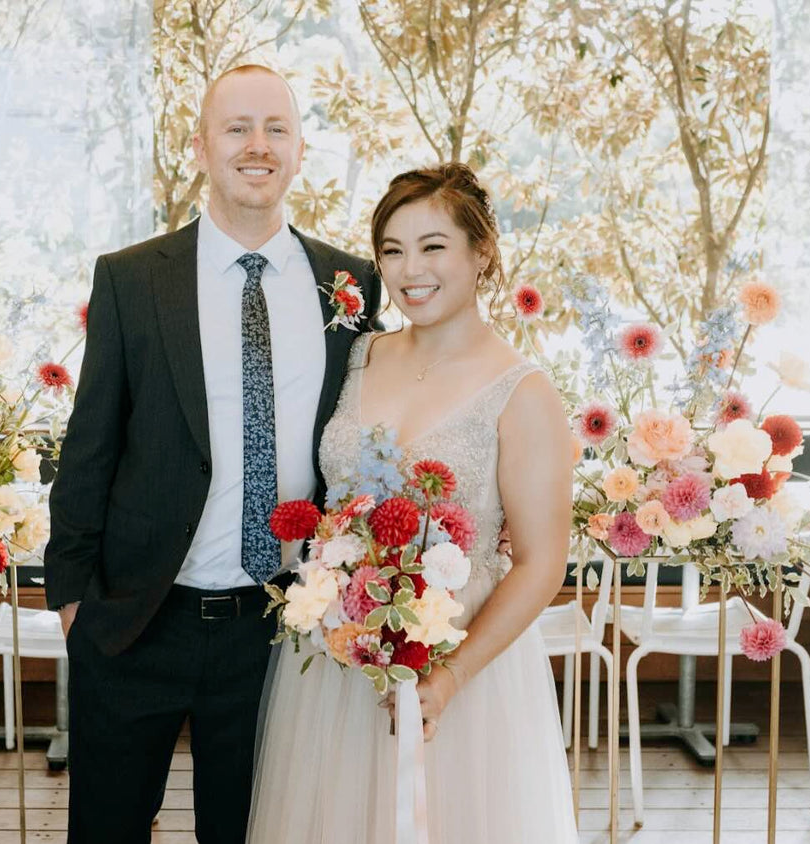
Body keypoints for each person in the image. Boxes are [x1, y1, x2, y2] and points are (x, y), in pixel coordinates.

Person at [43, 64, 381, 843]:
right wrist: (73, 600)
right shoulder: (131, 279)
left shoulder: (351, 285)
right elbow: (89, 443)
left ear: (300, 150)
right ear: (200, 146)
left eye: (276, 129)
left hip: (280, 631)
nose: (256, 145)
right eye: (236, 128)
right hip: (137, 620)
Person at [247, 163, 579, 843]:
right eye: (392, 251)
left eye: (433, 246)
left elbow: (543, 564)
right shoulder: (357, 355)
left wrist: (448, 680)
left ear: (481, 252)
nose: (409, 270)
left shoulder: (524, 393)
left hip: (464, 671)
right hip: (333, 671)